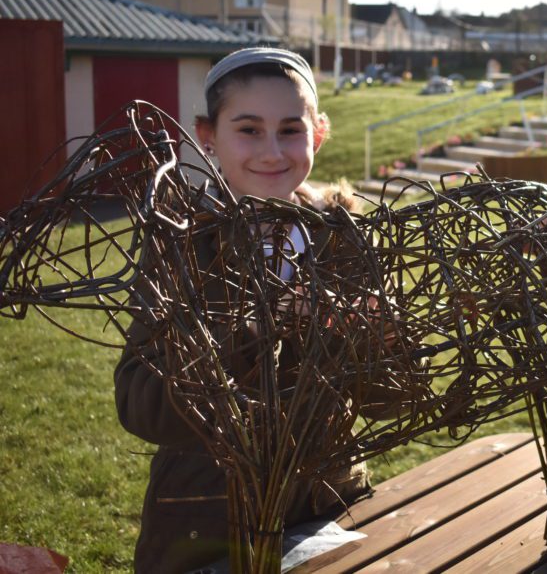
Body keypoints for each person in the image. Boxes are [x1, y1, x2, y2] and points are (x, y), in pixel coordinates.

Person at [114, 48, 376, 572]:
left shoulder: (342, 236)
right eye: (249, 130)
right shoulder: (181, 243)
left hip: (327, 509)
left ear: (318, 134)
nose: (273, 152)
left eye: (291, 130)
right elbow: (140, 404)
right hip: (205, 524)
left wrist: (378, 342)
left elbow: (389, 402)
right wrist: (262, 319)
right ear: (206, 137)